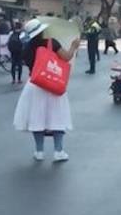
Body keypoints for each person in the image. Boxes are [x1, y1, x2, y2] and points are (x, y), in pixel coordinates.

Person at [13, 18, 81, 162]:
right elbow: (66, 58)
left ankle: (39, 151)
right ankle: (58, 151)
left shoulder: (26, 48)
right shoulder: (52, 43)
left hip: (35, 84)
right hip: (52, 83)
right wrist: (74, 46)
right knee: (57, 117)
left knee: (36, 118)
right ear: (42, 30)